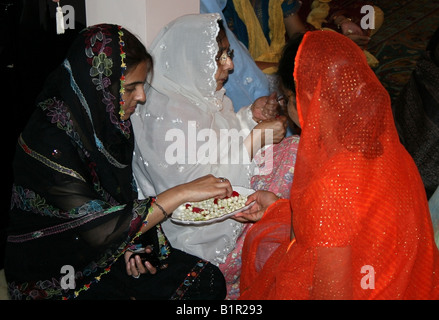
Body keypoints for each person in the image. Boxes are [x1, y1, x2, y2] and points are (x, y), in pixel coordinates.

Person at [5, 23, 230, 300]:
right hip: (55, 272)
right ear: (97, 84)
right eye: (130, 88)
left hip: (107, 247)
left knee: (205, 281)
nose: (142, 97)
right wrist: (180, 194)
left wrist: (131, 244)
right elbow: (91, 228)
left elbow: (118, 201)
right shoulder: (48, 138)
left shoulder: (111, 124)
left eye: (142, 86)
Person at [235, 30, 439, 299]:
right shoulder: (385, 145)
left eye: (286, 98)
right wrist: (277, 208)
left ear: (305, 98)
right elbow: (350, 224)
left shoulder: (330, 185)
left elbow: (331, 291)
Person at [131, 13, 291, 299]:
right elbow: (203, 196)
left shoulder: (202, 95)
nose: (229, 65)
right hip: (201, 238)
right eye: (220, 56)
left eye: (228, 54)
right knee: (293, 159)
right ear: (191, 58)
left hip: (231, 200)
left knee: (295, 152)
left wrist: (249, 118)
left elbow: (220, 143)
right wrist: (255, 140)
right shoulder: (166, 118)